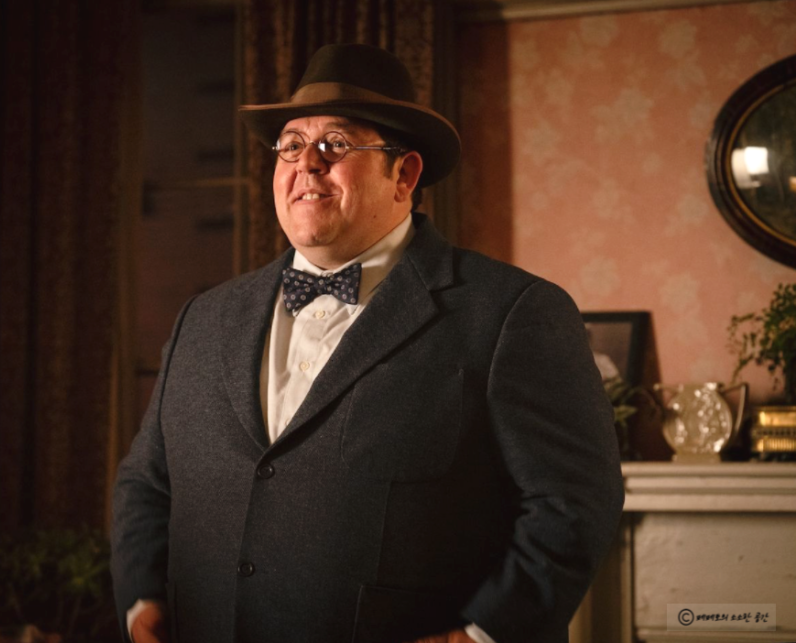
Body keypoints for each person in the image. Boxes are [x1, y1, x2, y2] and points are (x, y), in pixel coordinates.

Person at [112, 43, 624, 643]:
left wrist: (481, 636)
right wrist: (141, 602)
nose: (307, 164)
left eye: (335, 144)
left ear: (403, 175)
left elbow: (574, 502)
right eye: (290, 145)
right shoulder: (203, 318)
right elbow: (146, 483)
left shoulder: (513, 312)